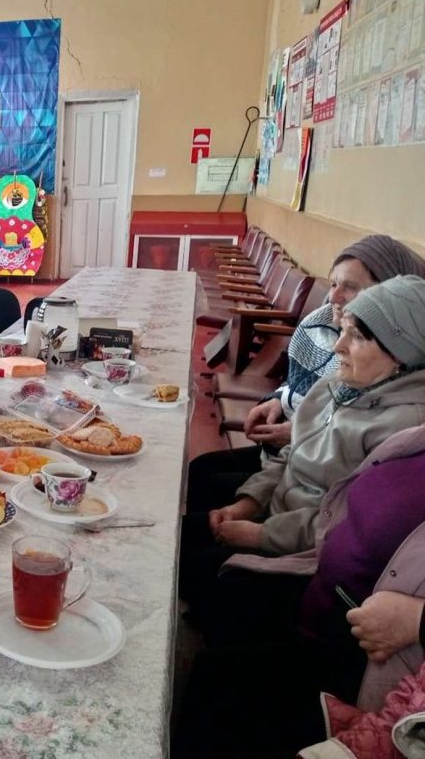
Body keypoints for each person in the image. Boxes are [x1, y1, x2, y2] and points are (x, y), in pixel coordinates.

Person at [181, 275, 425, 644]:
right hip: (276, 515)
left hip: (305, 551)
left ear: (401, 355)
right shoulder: (339, 385)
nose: (339, 346)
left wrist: (262, 535)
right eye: (344, 330)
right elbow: (290, 454)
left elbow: (342, 525)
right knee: (176, 538)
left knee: (188, 568)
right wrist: (247, 504)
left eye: (358, 337)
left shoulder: (402, 431)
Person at [176, 425, 425, 759]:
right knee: (201, 616)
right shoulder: (415, 439)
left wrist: (418, 619)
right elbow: (331, 509)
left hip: (367, 675)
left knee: (214, 685)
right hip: (312, 592)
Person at [186, 235, 425, 507]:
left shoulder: (382, 373)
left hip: (306, 481)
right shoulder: (320, 323)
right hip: (289, 459)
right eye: (333, 284)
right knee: (200, 471)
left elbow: (337, 498)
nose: (333, 296)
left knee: (207, 488)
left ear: (389, 298)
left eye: (350, 287)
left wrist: (298, 431)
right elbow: (297, 381)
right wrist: (277, 399)